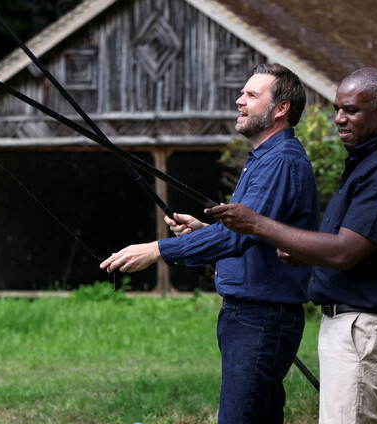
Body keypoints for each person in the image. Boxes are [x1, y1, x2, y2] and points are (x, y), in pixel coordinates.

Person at [206, 67, 377, 424]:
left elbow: (345, 251)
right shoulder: (369, 161)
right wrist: (302, 252)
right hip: (353, 325)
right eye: (337, 109)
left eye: (351, 110)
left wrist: (257, 223)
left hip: (367, 326)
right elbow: (354, 245)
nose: (339, 118)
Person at [100, 63, 320, 423]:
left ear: (281, 108)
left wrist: (156, 250)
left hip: (261, 319)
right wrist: (203, 230)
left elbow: (239, 235)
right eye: (242, 93)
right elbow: (257, 235)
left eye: (251, 95)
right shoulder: (265, 160)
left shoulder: (280, 162)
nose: (239, 101)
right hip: (252, 317)